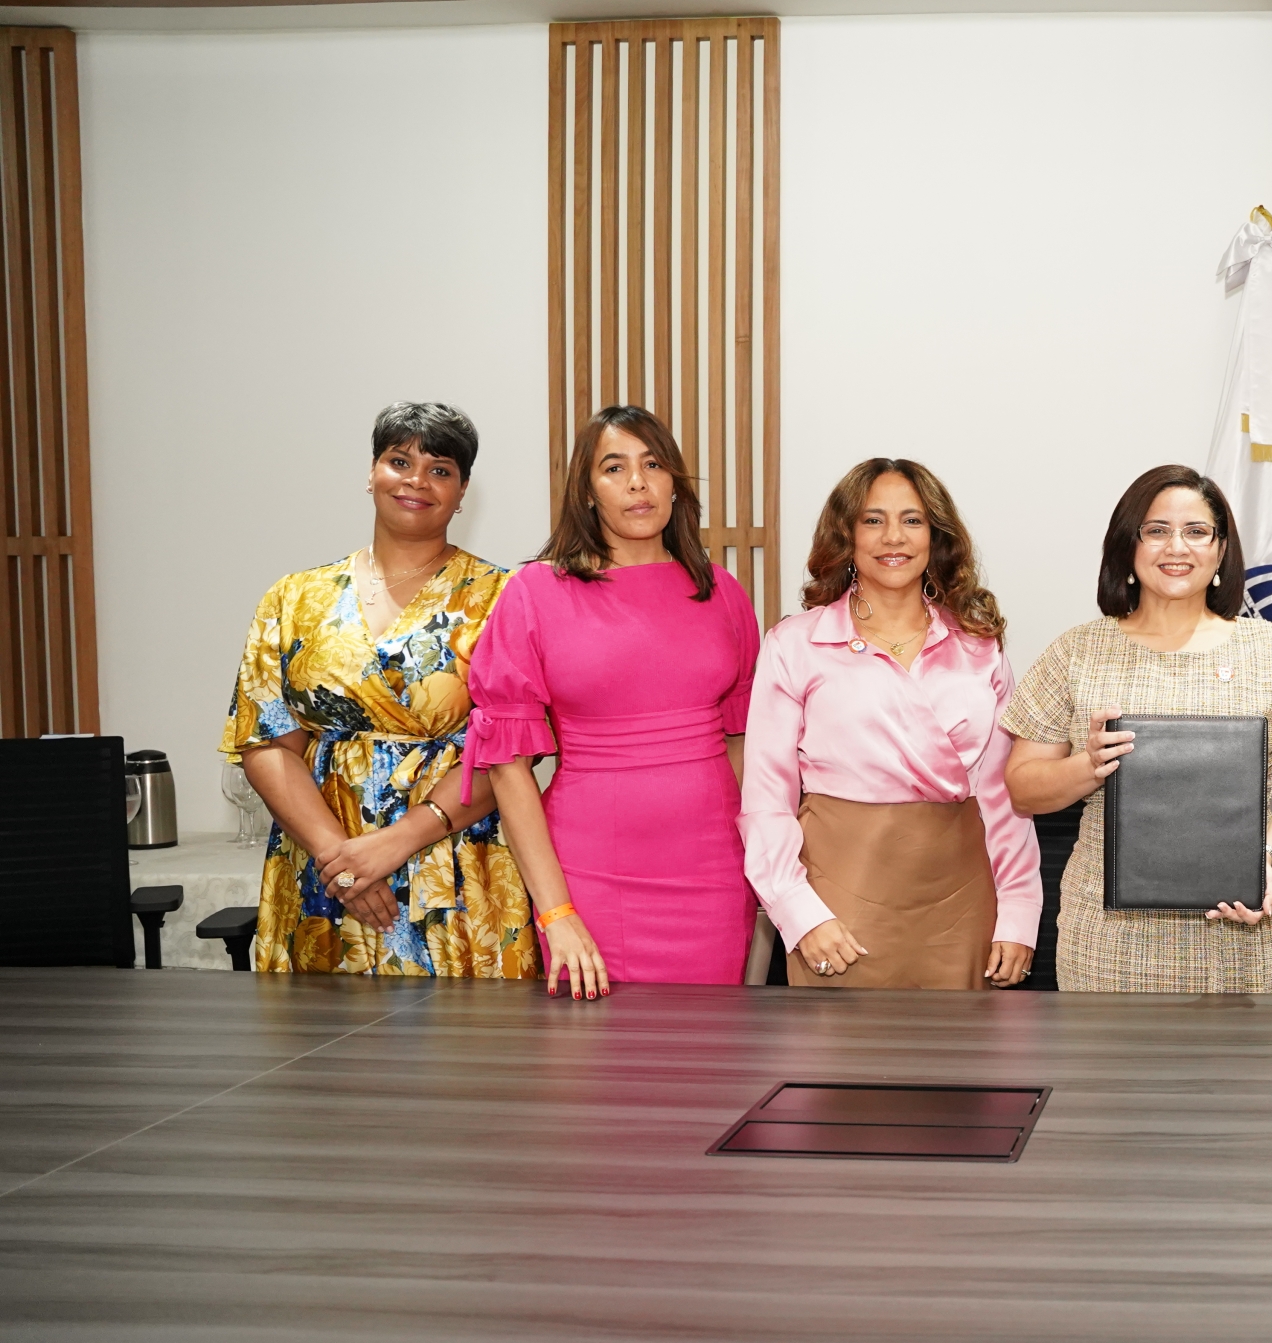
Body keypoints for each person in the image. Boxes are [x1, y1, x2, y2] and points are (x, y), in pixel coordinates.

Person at [1003, 465, 1272, 994]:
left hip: (1244, 935)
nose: (1177, 547)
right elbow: (1023, 787)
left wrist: (1262, 860)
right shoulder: (1077, 652)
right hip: (1107, 944)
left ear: (1221, 550)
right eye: (1157, 530)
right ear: (1129, 546)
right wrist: (1088, 765)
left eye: (1197, 531)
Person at [220, 402, 530, 978]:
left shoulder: (504, 598)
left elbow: (512, 749)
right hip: (320, 869)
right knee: (319, 1032)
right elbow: (265, 740)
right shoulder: (293, 598)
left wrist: (397, 842)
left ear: (462, 491)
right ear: (371, 473)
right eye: (399, 461)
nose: (417, 481)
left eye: (440, 470)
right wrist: (340, 861)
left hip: (453, 862)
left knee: (466, 1032)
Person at [463, 406, 764, 997]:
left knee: (711, 1044)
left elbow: (743, 743)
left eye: (653, 465)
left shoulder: (722, 592)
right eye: (614, 467)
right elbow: (507, 766)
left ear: (674, 483)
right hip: (588, 874)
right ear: (587, 490)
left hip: (715, 872)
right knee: (594, 1048)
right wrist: (555, 911)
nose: (637, 483)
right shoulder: (534, 593)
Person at [741, 459, 1039, 989]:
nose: (893, 537)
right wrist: (796, 908)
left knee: (960, 1044)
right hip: (836, 902)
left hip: (962, 903)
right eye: (873, 520)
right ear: (847, 535)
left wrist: (1018, 910)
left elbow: (1002, 794)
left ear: (936, 536)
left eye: (912, 520)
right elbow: (766, 799)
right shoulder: (795, 644)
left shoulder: (978, 645)